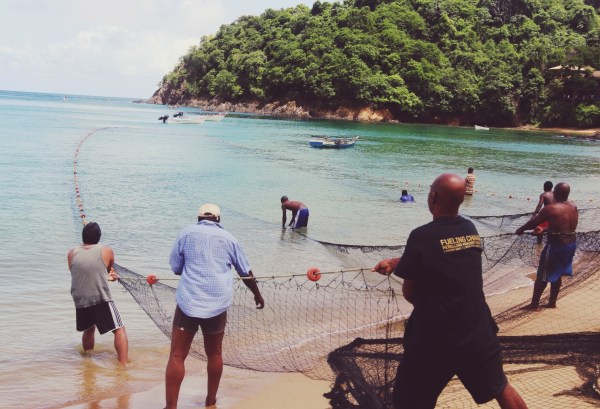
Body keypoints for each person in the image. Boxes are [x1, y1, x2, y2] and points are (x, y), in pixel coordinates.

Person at [372, 173, 527, 409]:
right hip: (477, 331)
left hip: (434, 339)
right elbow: (446, 256)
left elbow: (411, 295)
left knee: (409, 402)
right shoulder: (469, 228)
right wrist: (399, 262)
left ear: (433, 197)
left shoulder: (421, 236)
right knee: (501, 389)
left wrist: (406, 268)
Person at [165, 203, 265, 408]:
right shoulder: (229, 239)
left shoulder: (186, 233)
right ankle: (210, 401)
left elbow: (176, 267)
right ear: (218, 220)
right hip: (217, 305)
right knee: (215, 354)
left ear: (199, 218)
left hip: (188, 303)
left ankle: (171, 407)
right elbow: (245, 272)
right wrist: (257, 294)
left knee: (177, 355)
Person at [67, 222, 129, 364]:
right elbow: (108, 268)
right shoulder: (106, 251)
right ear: (99, 237)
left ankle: (88, 361)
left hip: (80, 299)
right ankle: (124, 365)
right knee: (119, 329)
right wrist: (109, 276)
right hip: (99, 297)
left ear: (83, 237)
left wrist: (105, 276)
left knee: (89, 328)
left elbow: (77, 272)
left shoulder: (71, 253)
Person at [515, 183, 578, 309]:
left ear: (555, 193)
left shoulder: (550, 208)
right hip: (571, 245)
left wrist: (520, 229)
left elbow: (533, 223)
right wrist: (544, 230)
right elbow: (564, 227)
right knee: (558, 273)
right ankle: (552, 302)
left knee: (542, 275)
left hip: (556, 246)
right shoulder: (573, 206)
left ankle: (534, 304)